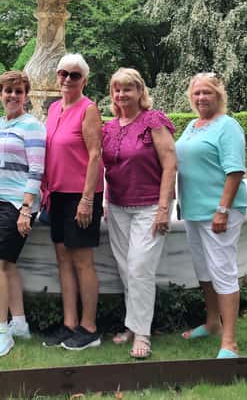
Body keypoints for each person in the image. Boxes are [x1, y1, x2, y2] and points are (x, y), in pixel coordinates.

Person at [102, 68, 177, 358]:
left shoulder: (153, 120)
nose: (122, 95)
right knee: (126, 269)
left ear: (139, 91)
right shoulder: (110, 127)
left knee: (140, 269)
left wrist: (163, 208)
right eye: (116, 89)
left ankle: (142, 334)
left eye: (127, 89)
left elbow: (170, 164)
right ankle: (132, 327)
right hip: (119, 206)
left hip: (150, 206)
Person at [175, 72, 247, 359]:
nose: (201, 98)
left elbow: (235, 170)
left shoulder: (228, 126)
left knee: (223, 272)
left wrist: (223, 209)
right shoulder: (192, 126)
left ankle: (229, 342)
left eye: (207, 92)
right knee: (204, 271)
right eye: (196, 93)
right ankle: (212, 323)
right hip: (194, 211)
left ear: (219, 95)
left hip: (219, 212)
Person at [41, 53, 104, 350]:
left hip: (81, 195)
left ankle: (89, 327)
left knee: (82, 261)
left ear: (84, 80)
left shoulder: (89, 109)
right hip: (57, 194)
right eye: (63, 73)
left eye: (74, 75)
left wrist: (88, 200)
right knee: (63, 259)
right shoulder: (54, 108)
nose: (67, 79)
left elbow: (95, 155)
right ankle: (69, 323)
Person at [0, 71, 46, 357]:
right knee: (6, 264)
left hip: (16, 203)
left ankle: (3, 330)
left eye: (18, 91)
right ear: (0, 93)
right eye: (7, 90)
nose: (12, 95)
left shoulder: (32, 126)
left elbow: (36, 169)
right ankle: (19, 324)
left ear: (26, 96)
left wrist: (26, 208)